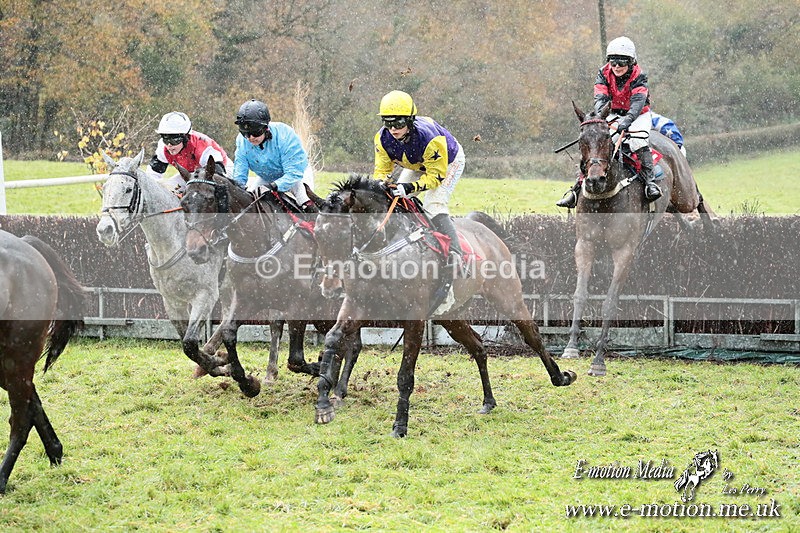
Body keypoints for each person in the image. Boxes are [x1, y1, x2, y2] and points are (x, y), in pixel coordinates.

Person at [556, 36, 662, 208]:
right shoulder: (603, 73)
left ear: (631, 62)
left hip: (638, 115)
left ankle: (650, 183)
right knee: (597, 142)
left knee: (637, 142)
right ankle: (576, 189)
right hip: (612, 113)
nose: (617, 66)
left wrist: (627, 120)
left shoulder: (639, 75)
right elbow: (600, 98)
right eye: (613, 62)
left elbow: (638, 102)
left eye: (621, 62)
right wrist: (601, 117)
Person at [373, 90, 467, 272]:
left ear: (409, 121)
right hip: (416, 163)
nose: (393, 129)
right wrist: (379, 184)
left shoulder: (430, 139)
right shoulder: (382, 138)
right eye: (388, 123)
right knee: (396, 201)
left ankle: (457, 255)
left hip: (448, 163)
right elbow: (382, 171)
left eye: (398, 123)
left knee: (433, 205)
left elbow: (436, 177)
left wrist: (409, 187)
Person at [232, 99, 316, 213]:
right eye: (245, 133)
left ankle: (315, 220)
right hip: (267, 177)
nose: (250, 138)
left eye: (255, 132)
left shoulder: (285, 135)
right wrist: (237, 189)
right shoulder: (242, 141)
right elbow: (239, 175)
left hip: (297, 175)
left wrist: (273, 186)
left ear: (266, 128)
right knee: (250, 203)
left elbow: (293, 174)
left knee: (303, 199)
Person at [146, 111, 232, 195]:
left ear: (185, 137)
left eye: (174, 140)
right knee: (166, 189)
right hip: (191, 174)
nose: (169, 145)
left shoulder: (202, 146)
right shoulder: (163, 147)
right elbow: (153, 175)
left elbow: (217, 175)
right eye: (166, 139)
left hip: (222, 171)